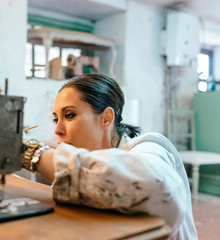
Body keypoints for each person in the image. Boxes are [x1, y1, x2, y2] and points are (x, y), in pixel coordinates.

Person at [22, 74, 198, 240]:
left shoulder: (150, 148)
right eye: (56, 119)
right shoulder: (88, 160)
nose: (57, 129)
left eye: (69, 115)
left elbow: (156, 186)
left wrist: (31, 154)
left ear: (106, 118)